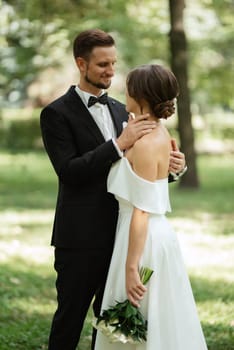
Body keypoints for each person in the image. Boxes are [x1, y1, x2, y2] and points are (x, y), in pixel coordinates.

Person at [40, 29, 186, 350]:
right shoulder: (55, 114)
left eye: (113, 63)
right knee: (69, 320)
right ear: (81, 64)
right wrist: (118, 144)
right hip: (79, 239)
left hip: (123, 238)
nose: (110, 71)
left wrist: (174, 168)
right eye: (103, 64)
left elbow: (140, 174)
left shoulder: (124, 110)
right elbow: (69, 172)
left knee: (108, 326)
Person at [94, 64, 207, 350]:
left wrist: (132, 266)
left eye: (129, 88)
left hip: (142, 239)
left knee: (144, 313)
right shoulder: (155, 131)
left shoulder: (145, 144)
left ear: (141, 95)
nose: (124, 93)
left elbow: (142, 209)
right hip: (140, 233)